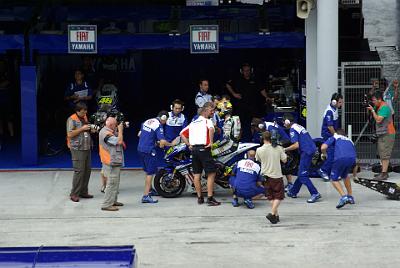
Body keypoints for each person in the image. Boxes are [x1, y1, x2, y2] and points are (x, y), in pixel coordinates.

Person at [180, 102, 221, 206]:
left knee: (196, 175)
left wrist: (189, 144)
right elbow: (211, 129)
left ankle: (200, 198)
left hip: (194, 150)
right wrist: (211, 142)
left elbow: (182, 134)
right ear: (206, 110)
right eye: (212, 110)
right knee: (211, 173)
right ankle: (210, 198)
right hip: (204, 149)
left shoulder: (193, 123)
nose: (213, 112)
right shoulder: (208, 121)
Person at [137, 111, 176, 203]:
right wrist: (171, 144)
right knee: (150, 173)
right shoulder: (158, 125)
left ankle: (149, 189)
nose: (165, 122)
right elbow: (162, 142)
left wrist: (154, 142)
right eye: (166, 120)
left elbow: (139, 134)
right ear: (163, 118)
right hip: (149, 151)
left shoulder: (147, 121)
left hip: (140, 149)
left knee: (147, 171)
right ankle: (146, 196)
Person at [225, 63, 270, 141]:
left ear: (251, 71)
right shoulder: (237, 79)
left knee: (253, 125)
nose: (247, 72)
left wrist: (266, 97)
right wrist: (234, 94)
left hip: (252, 107)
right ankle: (238, 143)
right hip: (240, 108)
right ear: (241, 71)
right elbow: (227, 84)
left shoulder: (255, 79)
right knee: (239, 127)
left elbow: (261, 89)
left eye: (248, 70)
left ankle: (251, 141)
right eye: (245, 71)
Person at [283, 114, 321, 203]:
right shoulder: (298, 126)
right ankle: (293, 191)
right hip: (311, 149)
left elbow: (296, 145)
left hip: (306, 152)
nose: (283, 124)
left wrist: (284, 149)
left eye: (284, 122)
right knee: (301, 172)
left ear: (287, 121)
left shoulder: (292, 129)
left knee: (303, 175)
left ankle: (315, 193)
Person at [251, 117, 293, 192]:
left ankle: (290, 184)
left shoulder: (270, 128)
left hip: (283, 142)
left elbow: (274, 142)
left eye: (256, 128)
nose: (256, 131)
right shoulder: (264, 127)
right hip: (276, 142)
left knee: (282, 164)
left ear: (259, 126)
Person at [256, 131, 287, 224]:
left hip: (265, 176)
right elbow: (284, 160)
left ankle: (276, 216)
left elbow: (259, 160)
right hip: (276, 175)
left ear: (263, 138)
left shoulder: (259, 150)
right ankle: (272, 213)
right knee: (279, 196)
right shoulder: (278, 148)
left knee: (270, 196)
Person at [321, 129, 356, 209]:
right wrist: (354, 175)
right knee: (345, 175)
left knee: (333, 179)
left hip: (340, 158)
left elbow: (323, 147)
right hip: (352, 159)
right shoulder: (350, 140)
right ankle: (350, 196)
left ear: (336, 133)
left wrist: (324, 154)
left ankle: (344, 197)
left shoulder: (335, 137)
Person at [66, 102, 93, 202]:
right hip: (77, 148)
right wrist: (82, 129)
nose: (84, 113)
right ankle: (74, 194)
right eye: (82, 112)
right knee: (79, 171)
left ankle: (83, 192)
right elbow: (69, 134)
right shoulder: (71, 119)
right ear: (77, 111)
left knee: (87, 170)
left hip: (86, 147)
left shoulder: (85, 117)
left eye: (85, 111)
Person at [367, 91, 396, 180]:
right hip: (383, 133)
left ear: (380, 99)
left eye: (374, 100)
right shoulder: (379, 106)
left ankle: (384, 174)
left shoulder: (384, 107)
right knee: (382, 153)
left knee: (385, 154)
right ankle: (383, 172)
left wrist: (372, 110)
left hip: (388, 133)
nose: (373, 102)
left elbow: (379, 120)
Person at [99, 117, 125, 211]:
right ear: (111, 125)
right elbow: (119, 141)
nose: (116, 126)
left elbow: (116, 137)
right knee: (111, 183)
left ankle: (113, 201)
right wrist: (121, 131)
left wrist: (119, 130)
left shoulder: (109, 130)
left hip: (113, 161)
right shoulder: (105, 133)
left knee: (115, 183)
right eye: (115, 125)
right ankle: (106, 204)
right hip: (110, 162)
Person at [318, 93, 343, 181]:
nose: (341, 104)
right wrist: (335, 135)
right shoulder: (329, 111)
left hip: (333, 135)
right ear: (334, 102)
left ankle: (332, 172)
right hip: (328, 135)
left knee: (335, 154)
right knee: (331, 154)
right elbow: (330, 126)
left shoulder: (335, 109)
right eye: (340, 102)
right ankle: (323, 170)